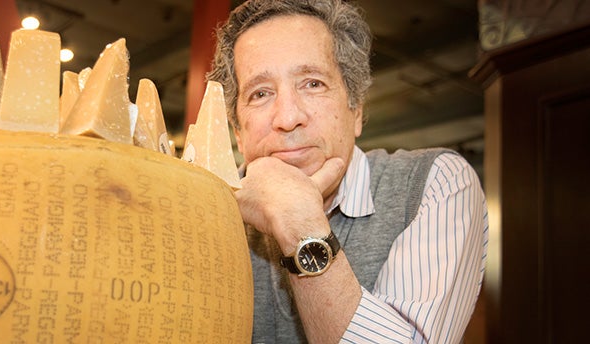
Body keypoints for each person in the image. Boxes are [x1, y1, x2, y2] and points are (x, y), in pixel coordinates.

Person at [207, 0, 488, 343]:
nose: (287, 117)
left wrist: (300, 223)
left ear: (356, 109)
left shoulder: (434, 184)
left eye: (312, 83)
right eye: (260, 93)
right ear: (238, 131)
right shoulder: (208, 209)